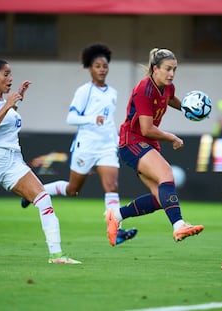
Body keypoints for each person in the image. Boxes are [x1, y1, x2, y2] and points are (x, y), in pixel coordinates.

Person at [0, 59, 80, 264]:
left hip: (13, 160)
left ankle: (57, 256)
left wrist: (15, 100)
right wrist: (9, 104)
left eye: (10, 74)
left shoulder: (2, 102)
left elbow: (7, 122)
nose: (10, 78)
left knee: (43, 199)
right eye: (6, 74)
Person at [21, 44, 137, 245]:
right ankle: (38, 192)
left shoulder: (113, 93)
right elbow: (71, 118)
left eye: (105, 66)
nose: (102, 69)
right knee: (73, 190)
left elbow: (108, 119)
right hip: (86, 146)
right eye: (97, 66)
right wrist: (92, 119)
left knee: (112, 186)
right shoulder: (84, 91)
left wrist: (116, 137)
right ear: (90, 68)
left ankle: (116, 230)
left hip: (107, 146)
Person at [105, 48, 204, 246]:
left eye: (174, 69)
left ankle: (116, 215)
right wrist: (172, 138)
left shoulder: (167, 87)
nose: (172, 74)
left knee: (161, 199)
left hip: (147, 143)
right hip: (131, 142)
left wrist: (189, 107)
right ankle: (179, 226)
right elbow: (147, 129)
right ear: (155, 68)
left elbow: (171, 99)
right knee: (167, 174)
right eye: (168, 69)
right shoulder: (144, 90)